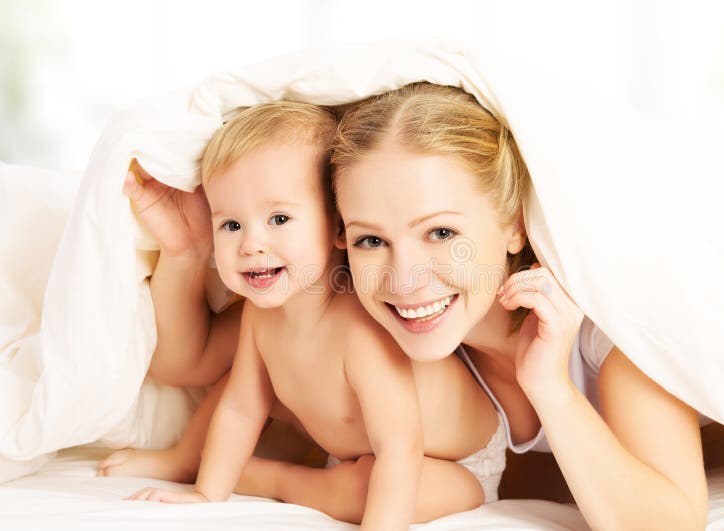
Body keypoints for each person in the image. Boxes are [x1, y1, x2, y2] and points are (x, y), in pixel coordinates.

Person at [331, 82, 709, 530]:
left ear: (514, 225)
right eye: (371, 240)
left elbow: (674, 525)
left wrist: (549, 385)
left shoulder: (604, 325)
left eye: (441, 233)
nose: (405, 277)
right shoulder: (406, 345)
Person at [112, 101, 507, 529]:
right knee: (240, 387)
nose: (250, 245)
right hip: (358, 447)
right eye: (231, 225)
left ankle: (276, 480)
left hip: (447, 462)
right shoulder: (260, 317)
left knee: (368, 488)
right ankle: (188, 462)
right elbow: (242, 409)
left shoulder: (362, 328)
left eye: (278, 218)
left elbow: (400, 447)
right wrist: (209, 494)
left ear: (340, 227)